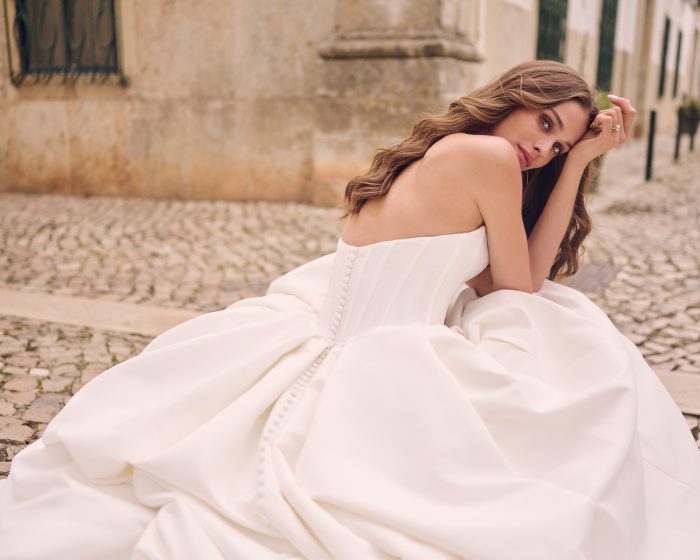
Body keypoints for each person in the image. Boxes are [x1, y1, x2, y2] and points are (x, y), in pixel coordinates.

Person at [1, 60, 699, 560]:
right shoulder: (484, 155)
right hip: (384, 354)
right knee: (581, 346)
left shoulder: (445, 151)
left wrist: (576, 161)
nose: (540, 148)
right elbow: (518, 290)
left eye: (556, 145)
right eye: (543, 125)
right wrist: (579, 167)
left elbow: (504, 283)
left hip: (332, 337)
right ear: (512, 98)